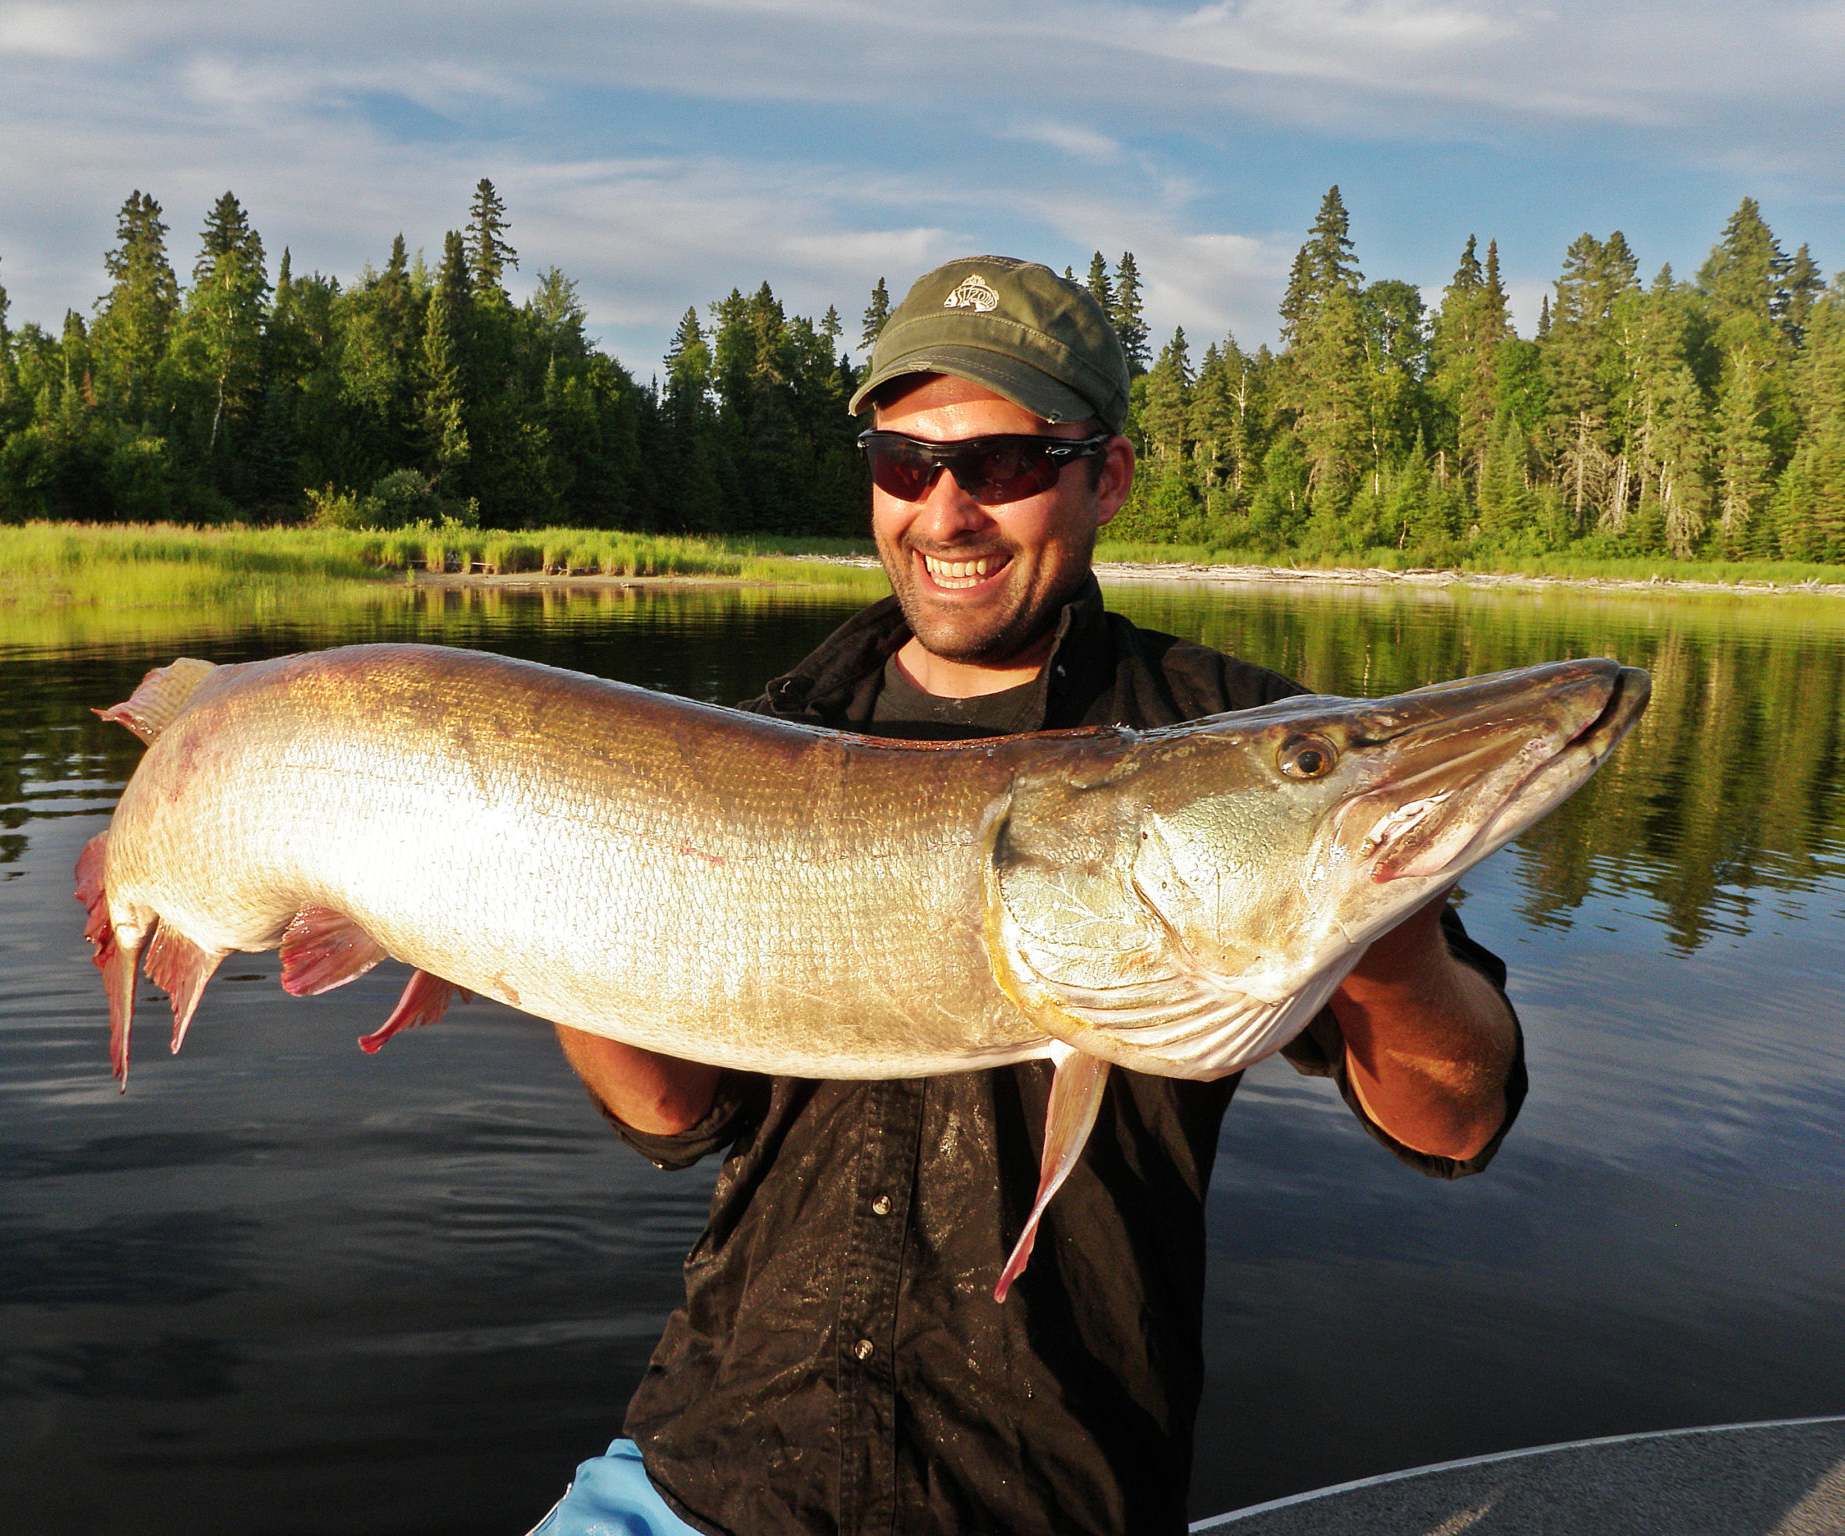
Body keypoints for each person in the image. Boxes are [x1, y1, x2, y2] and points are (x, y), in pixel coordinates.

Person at [534, 256, 1524, 1536]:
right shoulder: (769, 736)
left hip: (1038, 1502)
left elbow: (1454, 1120)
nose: (945, 513)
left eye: (1001, 465)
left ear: (1102, 478)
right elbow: (675, 1110)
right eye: (904, 463)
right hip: (697, 1480)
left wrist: (1380, 915)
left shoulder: (1236, 742)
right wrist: (505, 919)